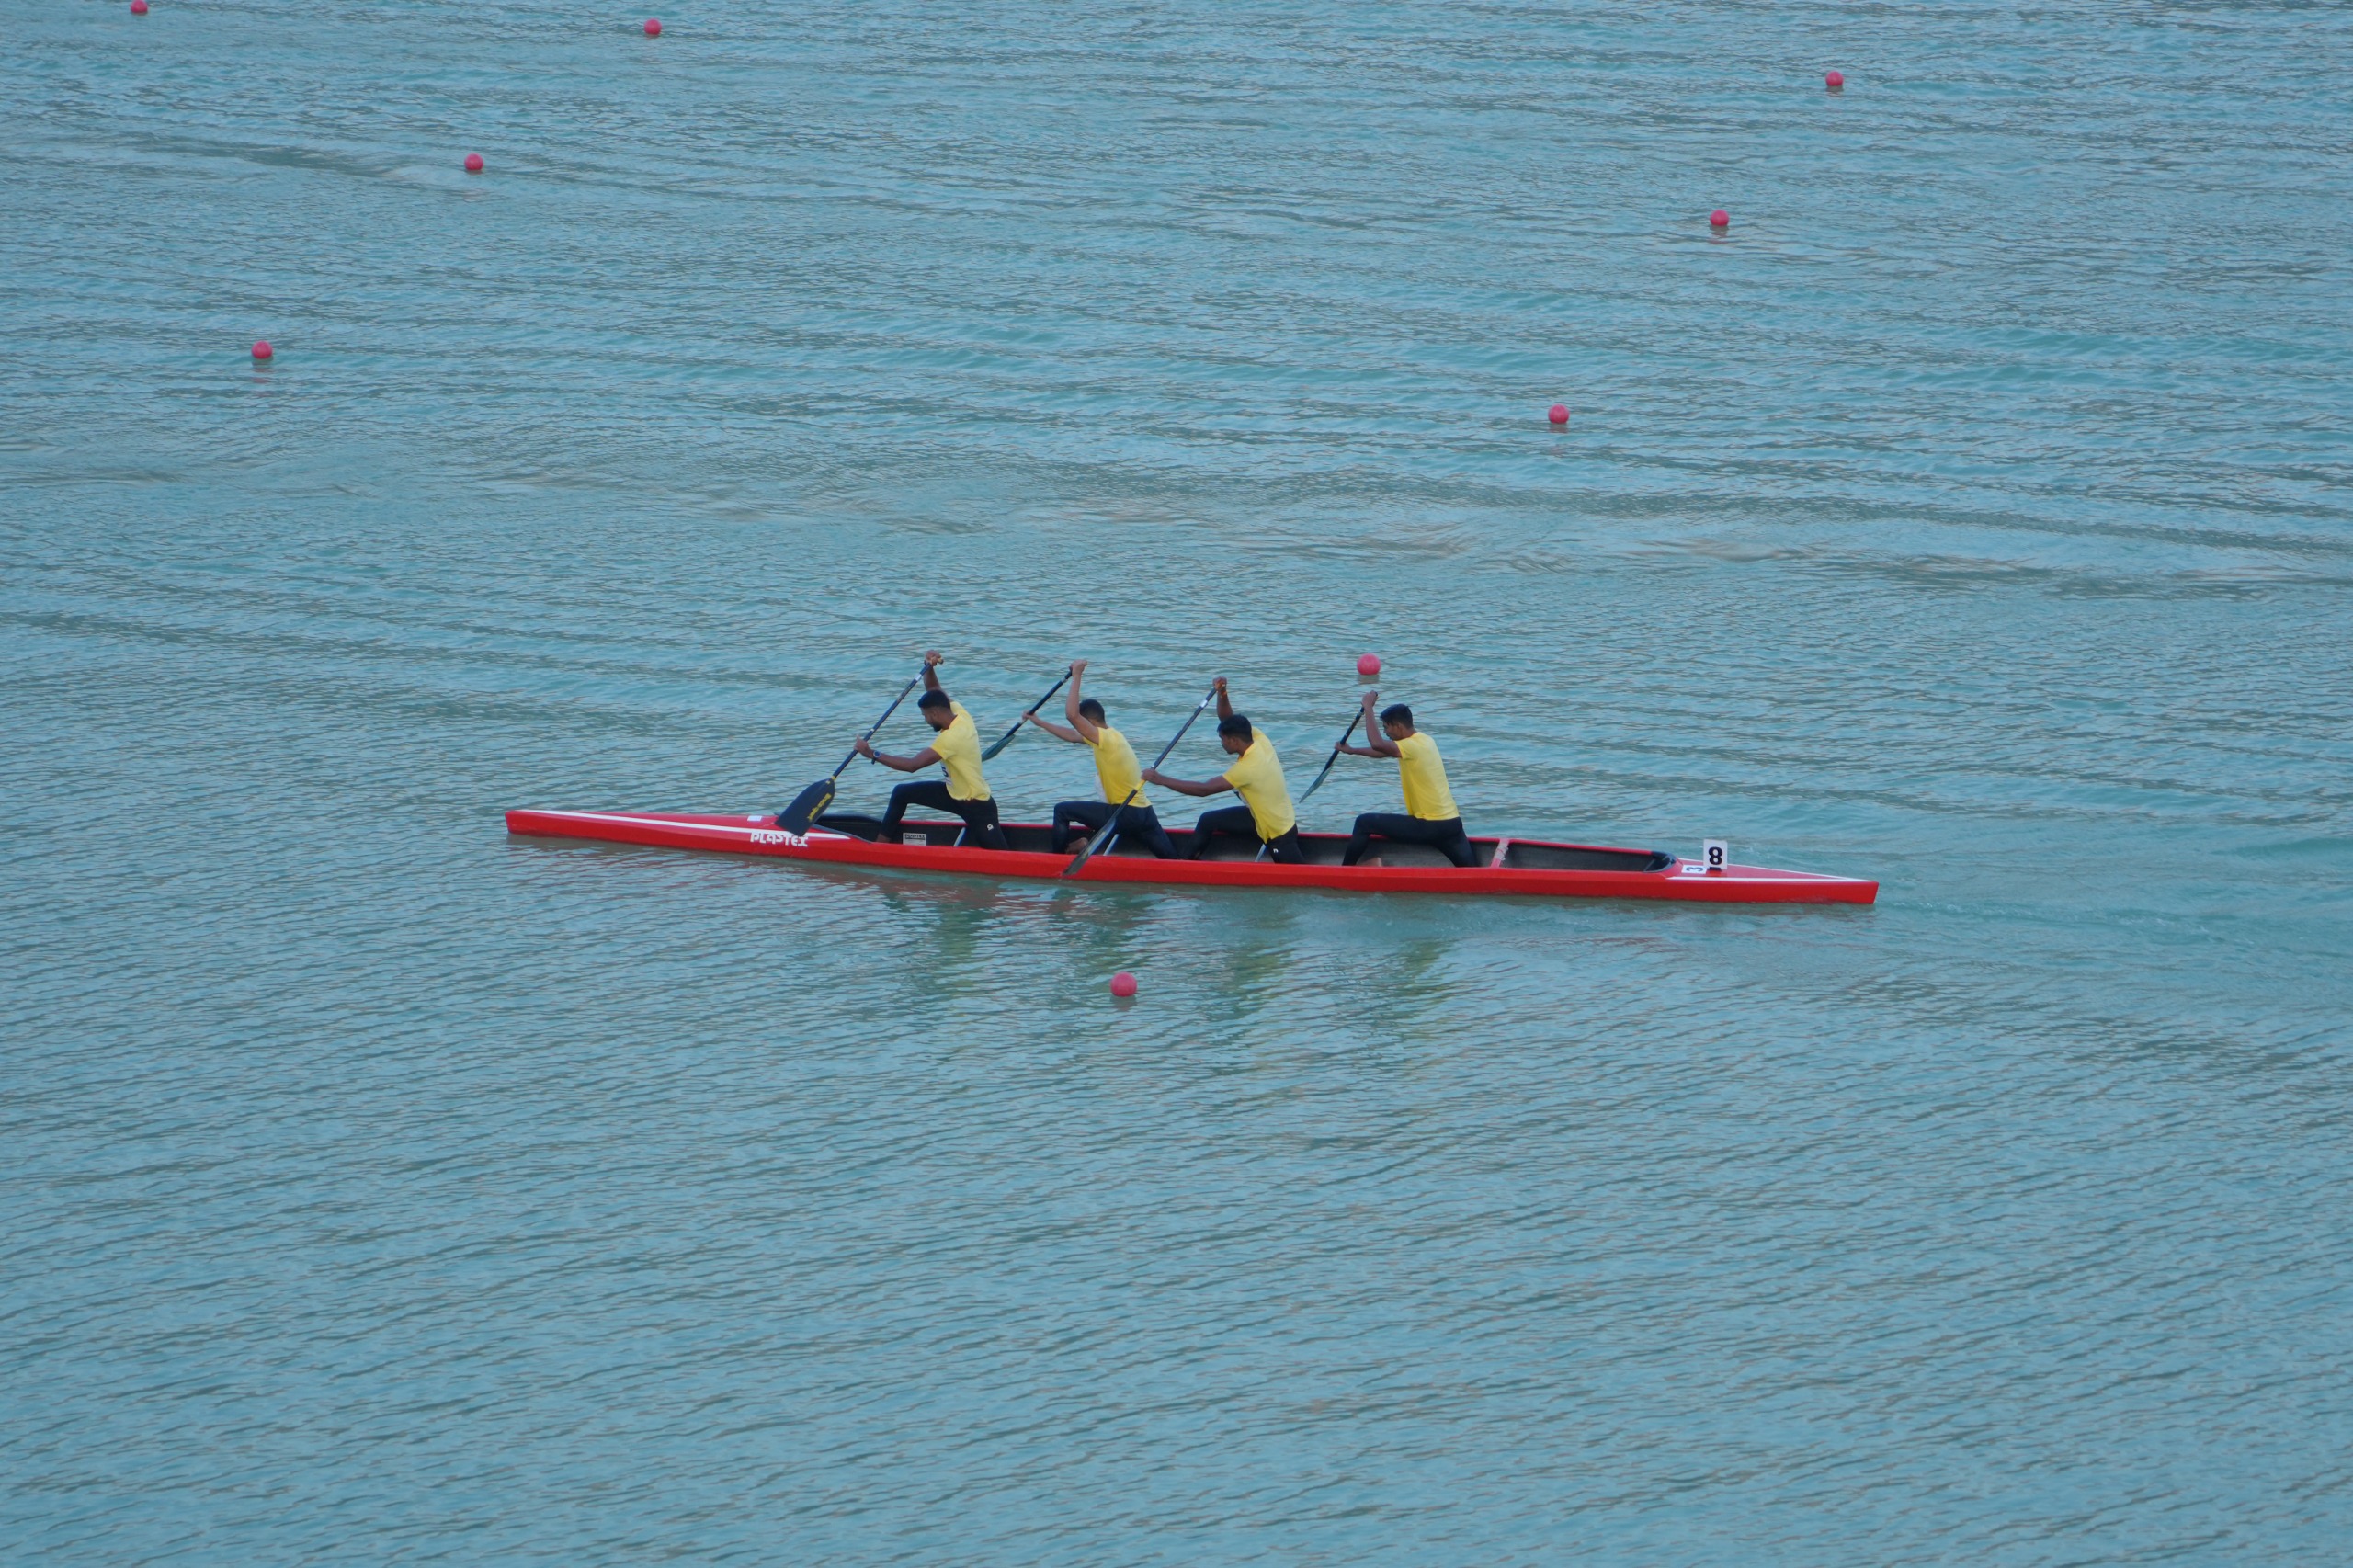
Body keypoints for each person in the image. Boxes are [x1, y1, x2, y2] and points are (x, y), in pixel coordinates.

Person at [1021, 661, 1182, 858]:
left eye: (1083, 724)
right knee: (1174, 861)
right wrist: (1039, 722)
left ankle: (1058, 858)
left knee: (1062, 811)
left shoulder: (1105, 739)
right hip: (1145, 813)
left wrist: (1077, 674)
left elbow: (1072, 715)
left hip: (1125, 814)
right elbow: (1072, 736)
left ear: (1089, 722)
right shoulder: (1112, 737)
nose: (1080, 728)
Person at [855, 651, 1010, 849]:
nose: (926, 720)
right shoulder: (959, 713)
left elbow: (912, 765)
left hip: (977, 806)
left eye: (925, 716)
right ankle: (880, 848)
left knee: (1000, 855)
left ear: (935, 713)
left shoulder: (951, 738)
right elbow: (934, 689)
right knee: (901, 793)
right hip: (953, 794)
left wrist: (872, 754)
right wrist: (928, 666)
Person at [1143, 677, 1305, 864]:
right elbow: (1228, 719)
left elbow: (1203, 790)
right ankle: (1184, 863)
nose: (1222, 743)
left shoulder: (1246, 768)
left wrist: (1161, 779)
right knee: (1208, 821)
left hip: (1278, 832)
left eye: (1223, 739)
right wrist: (1222, 693)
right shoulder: (1259, 739)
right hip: (1263, 816)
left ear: (1234, 741)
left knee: (1302, 876)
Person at [1334, 690, 1475, 867]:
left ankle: (1345, 871)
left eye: (1386, 727)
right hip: (1452, 823)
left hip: (1429, 825)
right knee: (1473, 871)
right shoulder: (1425, 741)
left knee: (1363, 823)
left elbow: (1377, 744)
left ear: (1398, 726)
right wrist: (1353, 750)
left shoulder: (1410, 747)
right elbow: (1382, 751)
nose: (1385, 732)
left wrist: (1368, 708)